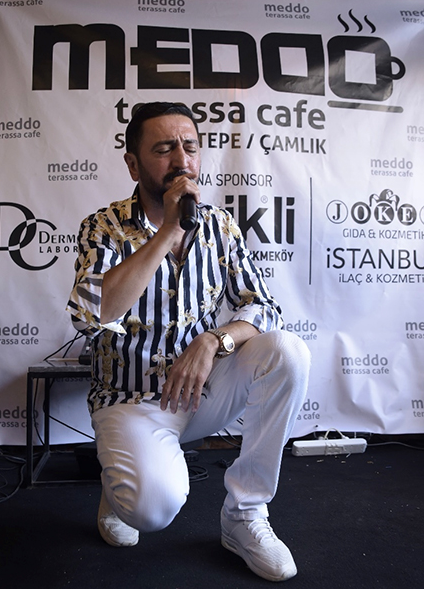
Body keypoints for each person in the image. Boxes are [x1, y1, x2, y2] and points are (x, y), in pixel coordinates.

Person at [67, 101, 310, 582]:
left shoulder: (221, 226)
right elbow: (92, 314)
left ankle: (244, 515)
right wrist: (168, 231)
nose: (181, 160)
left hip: (199, 392)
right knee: (150, 510)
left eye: (190, 147)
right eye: (163, 149)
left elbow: (263, 308)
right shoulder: (104, 226)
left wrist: (214, 340)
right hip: (131, 399)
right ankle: (119, 488)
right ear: (133, 164)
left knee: (287, 351)